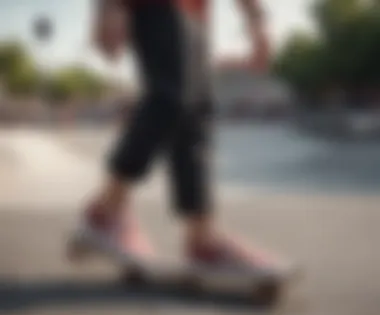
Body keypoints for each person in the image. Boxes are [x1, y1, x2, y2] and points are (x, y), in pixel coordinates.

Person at [70, 0, 287, 277]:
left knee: (195, 115)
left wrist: (256, 21)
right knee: (168, 98)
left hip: (194, 11)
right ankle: (106, 211)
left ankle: (202, 240)